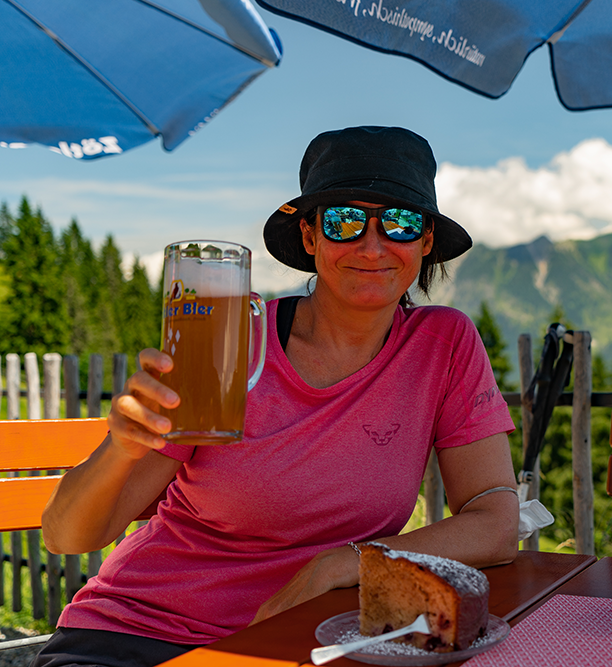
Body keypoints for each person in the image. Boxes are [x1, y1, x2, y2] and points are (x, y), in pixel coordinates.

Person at [33, 126, 520, 667]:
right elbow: (67, 536)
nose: (373, 245)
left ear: (425, 242)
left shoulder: (442, 343)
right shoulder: (227, 343)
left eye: (400, 223)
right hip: (141, 634)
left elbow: (495, 524)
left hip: (305, 643)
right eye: (344, 221)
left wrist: (347, 564)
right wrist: (121, 446)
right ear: (311, 238)